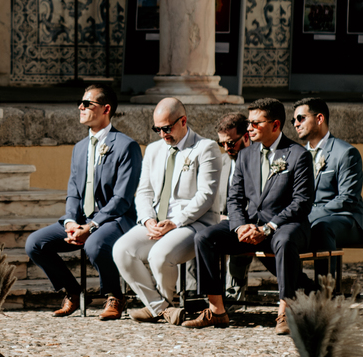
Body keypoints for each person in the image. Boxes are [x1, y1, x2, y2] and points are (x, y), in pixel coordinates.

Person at [185, 98, 312, 335]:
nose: (249, 128)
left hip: (285, 225)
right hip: (249, 224)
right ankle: (217, 310)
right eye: (248, 123)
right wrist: (240, 227)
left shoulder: (298, 155)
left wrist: (268, 228)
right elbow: (235, 198)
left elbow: (301, 202)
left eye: (255, 123)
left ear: (275, 125)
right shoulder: (246, 156)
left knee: (284, 241)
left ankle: (285, 310)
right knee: (205, 238)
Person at [25, 83, 142, 319]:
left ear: (106, 109)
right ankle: (73, 292)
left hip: (115, 220)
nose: (80, 107)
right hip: (83, 220)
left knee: (95, 244)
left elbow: (122, 199)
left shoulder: (126, 146)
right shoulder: (79, 148)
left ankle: (115, 295)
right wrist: (70, 222)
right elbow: (74, 192)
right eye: (81, 103)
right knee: (35, 244)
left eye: (87, 104)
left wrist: (92, 226)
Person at [114, 98, 221, 324]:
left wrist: (175, 222)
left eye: (166, 128)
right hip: (157, 222)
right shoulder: (154, 150)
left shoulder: (205, 148)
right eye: (157, 129)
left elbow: (206, 195)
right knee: (121, 249)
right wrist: (147, 220)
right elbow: (143, 191)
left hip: (194, 224)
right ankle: (161, 308)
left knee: (159, 256)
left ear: (183, 121)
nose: (162, 134)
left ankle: (157, 307)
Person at [292, 97, 363, 282]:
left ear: (319, 118)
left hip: (347, 218)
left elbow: (347, 198)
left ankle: (327, 291)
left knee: (322, 227)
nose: (296, 124)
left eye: (300, 118)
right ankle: (298, 288)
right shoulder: (296, 155)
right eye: (293, 121)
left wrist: (308, 215)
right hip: (308, 218)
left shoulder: (345, 153)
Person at [214, 112, 252, 304]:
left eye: (231, 143)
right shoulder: (221, 162)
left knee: (240, 233)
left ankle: (233, 292)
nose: (226, 148)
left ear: (246, 136)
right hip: (221, 219)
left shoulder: (257, 162)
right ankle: (197, 292)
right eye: (222, 144)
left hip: (248, 221)